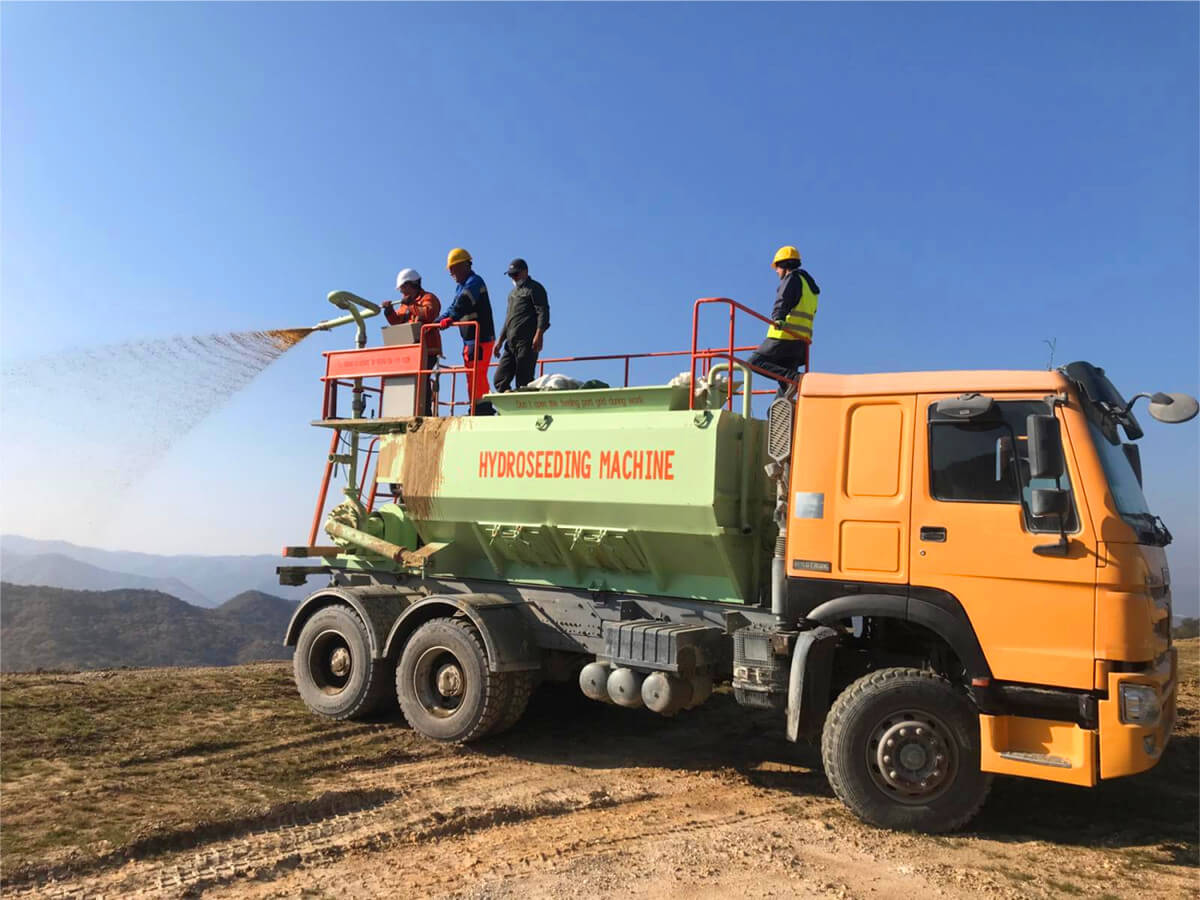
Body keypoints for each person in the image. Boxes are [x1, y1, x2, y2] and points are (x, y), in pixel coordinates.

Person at [747, 245, 820, 397]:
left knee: (754, 363)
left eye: (778, 267)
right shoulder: (809, 286)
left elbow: (783, 300)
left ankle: (795, 378)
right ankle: (778, 414)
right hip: (800, 345)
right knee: (786, 388)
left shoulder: (791, 279)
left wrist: (778, 318)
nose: (776, 271)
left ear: (785, 265)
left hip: (784, 338)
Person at [440, 247, 497, 415]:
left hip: (481, 338)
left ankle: (483, 408)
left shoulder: (474, 282)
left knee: (477, 374)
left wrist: (451, 319)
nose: (451, 273)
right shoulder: (461, 286)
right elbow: (453, 307)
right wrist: (437, 321)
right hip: (470, 339)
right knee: (471, 374)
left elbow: (463, 303)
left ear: (464, 265)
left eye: (453, 268)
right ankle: (477, 406)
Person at [382, 268, 441, 415]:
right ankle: (408, 409)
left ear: (411, 284)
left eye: (403, 288)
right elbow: (396, 321)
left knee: (422, 377)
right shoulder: (406, 303)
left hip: (428, 349)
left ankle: (424, 411)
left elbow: (429, 313)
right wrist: (389, 311)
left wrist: (411, 305)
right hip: (412, 349)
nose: (402, 292)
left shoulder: (428, 298)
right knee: (410, 378)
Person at [493, 258, 550, 393]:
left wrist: (539, 334)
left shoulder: (535, 288)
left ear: (525, 272)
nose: (513, 277)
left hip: (527, 341)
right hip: (511, 342)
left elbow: (543, 312)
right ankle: (507, 399)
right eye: (511, 275)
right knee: (500, 378)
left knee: (524, 380)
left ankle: (524, 405)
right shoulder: (512, 294)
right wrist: (500, 341)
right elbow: (509, 319)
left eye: (516, 274)